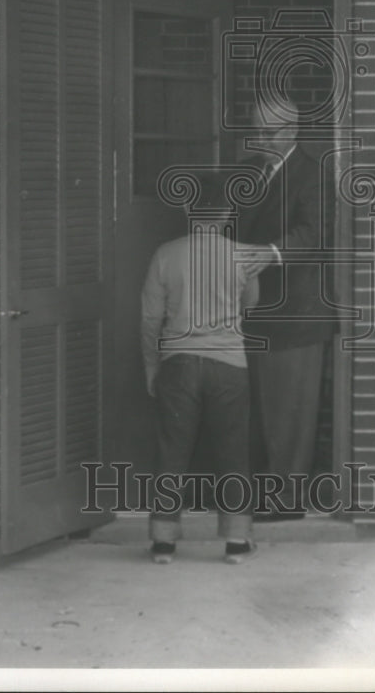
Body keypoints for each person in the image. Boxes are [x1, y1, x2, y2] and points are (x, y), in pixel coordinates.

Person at [141, 170, 259, 565]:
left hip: (178, 364)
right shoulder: (244, 254)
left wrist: (151, 368)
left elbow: (149, 320)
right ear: (227, 213)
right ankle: (237, 543)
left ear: (190, 212)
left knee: (171, 451)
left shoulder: (165, 253)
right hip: (229, 365)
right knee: (234, 452)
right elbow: (250, 305)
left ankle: (163, 543)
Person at [236, 96, 334, 519]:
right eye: (255, 130)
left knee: (290, 415)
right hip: (257, 313)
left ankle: (288, 502)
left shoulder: (313, 173)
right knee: (262, 413)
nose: (258, 139)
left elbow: (314, 234)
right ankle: (265, 495)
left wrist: (271, 252)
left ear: (292, 131)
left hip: (296, 315)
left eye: (267, 133)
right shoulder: (257, 170)